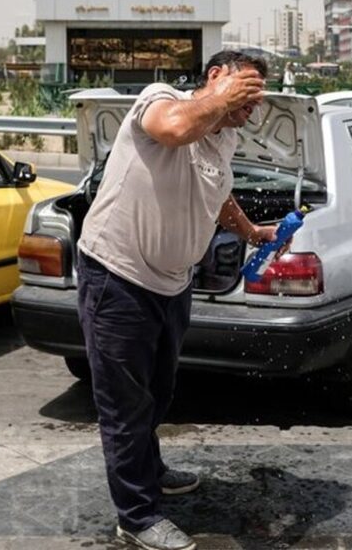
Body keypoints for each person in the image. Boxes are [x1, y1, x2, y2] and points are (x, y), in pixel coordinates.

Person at [76, 51, 280, 550]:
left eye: (256, 99)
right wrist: (219, 99)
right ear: (216, 76)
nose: (250, 107)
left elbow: (218, 193)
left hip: (171, 283)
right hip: (117, 277)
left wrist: (251, 230)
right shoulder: (159, 100)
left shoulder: (224, 136)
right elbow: (173, 130)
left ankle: (150, 470)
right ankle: (137, 516)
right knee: (125, 405)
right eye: (245, 92)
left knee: (159, 392)